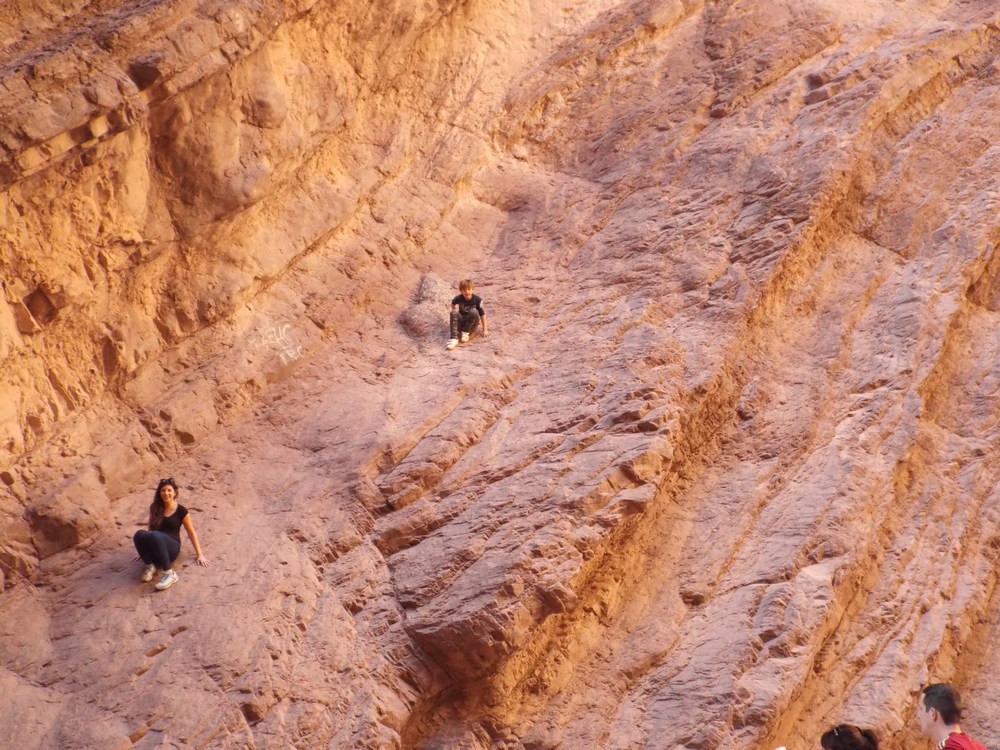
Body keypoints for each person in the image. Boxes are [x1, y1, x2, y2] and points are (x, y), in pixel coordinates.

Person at [132, 477, 209, 590]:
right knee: (139, 534)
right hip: (155, 546)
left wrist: (200, 554)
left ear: (175, 493)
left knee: (155, 535)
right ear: (159, 493)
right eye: (163, 490)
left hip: (171, 548)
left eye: (169, 490)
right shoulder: (155, 508)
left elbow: (191, 532)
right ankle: (150, 566)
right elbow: (151, 528)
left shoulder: (181, 511)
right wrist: (142, 550)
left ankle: (169, 574)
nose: (166, 493)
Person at [917, 683, 987, 750]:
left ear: (932, 713)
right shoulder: (977, 746)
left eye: (920, 709)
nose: (918, 716)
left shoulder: (951, 747)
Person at [447, 278, 488, 350]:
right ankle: (454, 338)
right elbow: (453, 304)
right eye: (464, 290)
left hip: (471, 324)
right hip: (462, 321)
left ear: (472, 289)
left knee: (474, 311)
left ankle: (466, 332)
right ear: (461, 291)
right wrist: (454, 311)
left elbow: (482, 315)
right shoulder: (458, 298)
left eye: (469, 289)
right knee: (453, 313)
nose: (467, 292)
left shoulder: (477, 300)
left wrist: (485, 329)